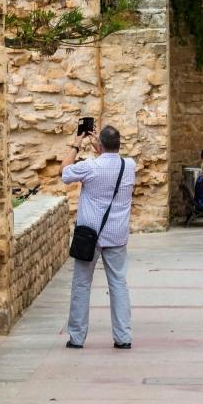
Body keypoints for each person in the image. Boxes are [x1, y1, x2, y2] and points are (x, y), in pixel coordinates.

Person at [61, 123, 135, 349]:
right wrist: (101, 148)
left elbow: (64, 172)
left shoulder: (90, 167)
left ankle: (77, 337)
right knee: (118, 284)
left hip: (89, 236)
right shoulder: (130, 165)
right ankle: (123, 337)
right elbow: (111, 161)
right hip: (117, 235)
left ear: (100, 145)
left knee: (81, 285)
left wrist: (76, 144)